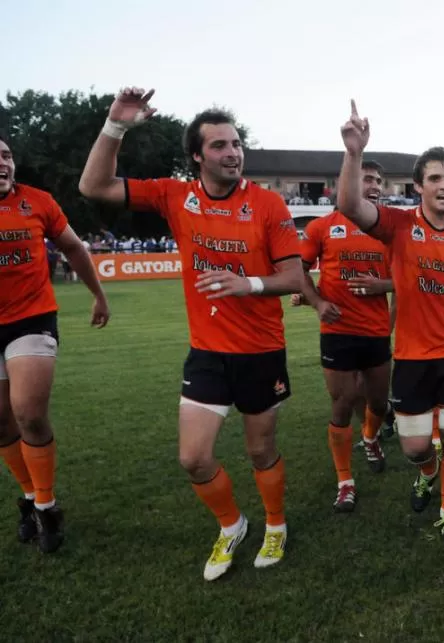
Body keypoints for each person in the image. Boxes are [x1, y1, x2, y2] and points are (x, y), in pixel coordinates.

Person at [79, 88, 303, 580]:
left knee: (260, 451)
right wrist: (115, 124)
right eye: (220, 145)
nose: (233, 153)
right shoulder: (175, 195)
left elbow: (296, 278)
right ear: (197, 156)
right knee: (192, 457)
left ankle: (276, 525)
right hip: (206, 351)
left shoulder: (267, 204)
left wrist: (249, 284)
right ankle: (232, 525)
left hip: (261, 350)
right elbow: (94, 186)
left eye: (237, 143)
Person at [335, 100, 444, 541]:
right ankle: (426, 473)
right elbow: (350, 207)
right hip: (413, 356)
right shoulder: (397, 224)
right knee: (416, 447)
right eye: (435, 178)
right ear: (418, 186)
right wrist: (354, 154)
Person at [0, 136, 110, 553]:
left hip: (31, 317)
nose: (3, 163)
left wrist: (98, 295)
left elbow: (73, 247)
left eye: (7, 155)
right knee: (1, 422)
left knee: (27, 413)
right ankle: (29, 497)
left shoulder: (38, 201)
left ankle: (47, 505)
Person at [293, 160, 393, 513]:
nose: (375, 185)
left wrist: (383, 285)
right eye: (367, 178)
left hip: (377, 331)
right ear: (345, 182)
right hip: (337, 331)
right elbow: (298, 272)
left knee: (378, 404)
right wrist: (318, 303)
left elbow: (409, 277)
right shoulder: (321, 227)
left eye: (378, 180)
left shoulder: (388, 229)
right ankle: (345, 482)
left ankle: (370, 437)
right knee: (343, 402)